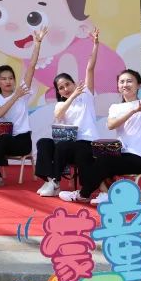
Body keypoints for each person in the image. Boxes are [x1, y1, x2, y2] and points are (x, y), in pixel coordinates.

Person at [60, 24, 141, 204]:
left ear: (138, 85)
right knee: (87, 157)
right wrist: (133, 111)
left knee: (105, 162)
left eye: (129, 81)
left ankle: (83, 194)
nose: (125, 85)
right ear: (118, 87)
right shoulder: (115, 107)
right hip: (122, 154)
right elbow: (111, 125)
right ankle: (101, 194)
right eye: (121, 82)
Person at [0, 28, 46, 187]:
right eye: (3, 79)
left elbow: (31, 67)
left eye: (10, 78)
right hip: (0, 139)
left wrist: (37, 44)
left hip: (21, 141)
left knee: (4, 138)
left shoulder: (22, 92)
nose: (8, 81)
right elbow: (0, 113)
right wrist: (15, 96)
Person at [35, 28, 101, 197]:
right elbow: (59, 115)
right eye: (61, 88)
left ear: (74, 83)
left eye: (67, 84)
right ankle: (50, 180)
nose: (65, 89)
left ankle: (55, 181)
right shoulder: (60, 104)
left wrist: (95, 45)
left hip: (86, 142)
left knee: (62, 146)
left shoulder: (86, 95)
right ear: (58, 92)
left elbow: (90, 69)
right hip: (66, 146)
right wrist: (71, 97)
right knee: (43, 142)